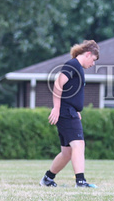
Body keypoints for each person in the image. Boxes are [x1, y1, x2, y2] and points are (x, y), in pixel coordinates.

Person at [40, 40, 100, 188]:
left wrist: (76, 110)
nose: (93, 64)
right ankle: (81, 182)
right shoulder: (72, 65)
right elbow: (58, 84)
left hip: (70, 111)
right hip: (66, 112)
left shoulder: (77, 67)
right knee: (78, 145)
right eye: (93, 60)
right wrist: (56, 108)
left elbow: (70, 92)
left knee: (67, 152)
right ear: (88, 54)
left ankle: (47, 179)